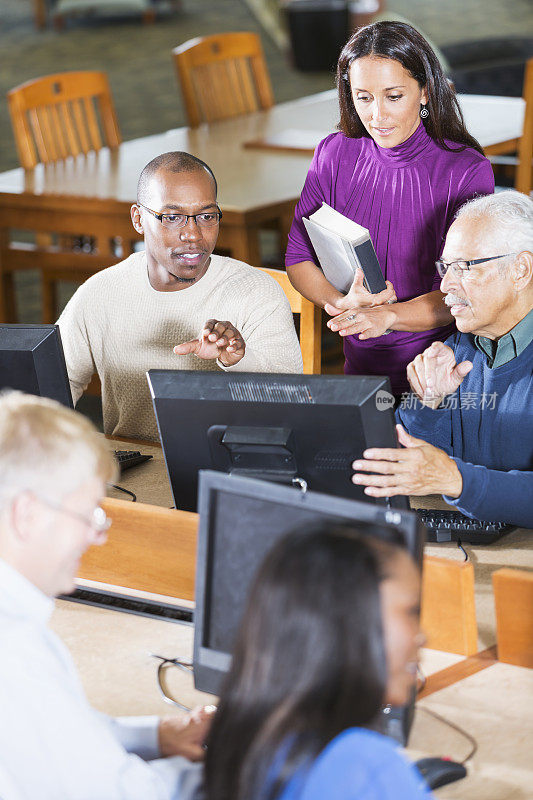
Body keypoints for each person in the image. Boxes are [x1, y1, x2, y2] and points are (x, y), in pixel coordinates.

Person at [0, 391, 213, 800]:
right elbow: (125, 793)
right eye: (88, 514)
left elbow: (60, 734)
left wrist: (159, 735)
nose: (97, 536)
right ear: (27, 515)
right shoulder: (15, 652)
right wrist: (255, 763)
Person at [285, 21, 494, 397]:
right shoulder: (334, 154)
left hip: (441, 376)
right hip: (360, 373)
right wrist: (342, 302)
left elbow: (462, 292)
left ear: (425, 92)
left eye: (393, 96)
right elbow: (299, 257)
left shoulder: (465, 170)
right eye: (363, 97)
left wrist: (387, 316)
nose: (377, 115)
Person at [58, 152, 303, 442]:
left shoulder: (255, 291)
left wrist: (239, 360)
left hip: (226, 474)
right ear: (138, 219)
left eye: (207, 216)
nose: (193, 234)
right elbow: (52, 388)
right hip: (133, 477)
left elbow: (294, 405)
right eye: (172, 218)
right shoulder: (99, 292)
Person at [203, 523, 430, 800]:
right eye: (411, 611)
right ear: (351, 621)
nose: (422, 636)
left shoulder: (240, 729)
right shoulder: (363, 766)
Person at [352, 191, 533, 527]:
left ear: (521, 270)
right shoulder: (458, 351)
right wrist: (427, 403)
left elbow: (448, 477)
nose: (447, 284)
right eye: (446, 267)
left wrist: (456, 480)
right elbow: (404, 466)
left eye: (465, 267)